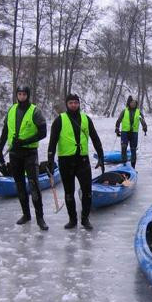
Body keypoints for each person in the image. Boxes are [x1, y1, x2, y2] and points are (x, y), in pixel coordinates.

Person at [47, 94, 104, 230]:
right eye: (71, 103)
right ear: (67, 104)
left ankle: (85, 219)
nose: (73, 105)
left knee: (87, 191)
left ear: (79, 104)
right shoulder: (59, 120)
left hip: (82, 161)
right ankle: (72, 219)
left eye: (76, 103)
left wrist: (101, 156)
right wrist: (50, 159)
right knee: (69, 192)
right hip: (65, 161)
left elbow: (95, 138)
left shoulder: (86, 119)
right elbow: (52, 142)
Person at [0, 85, 48, 230]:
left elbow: (43, 133)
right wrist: (0, 149)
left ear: (28, 95)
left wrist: (25, 141)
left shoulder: (35, 111)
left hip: (30, 153)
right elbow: (5, 131)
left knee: (34, 185)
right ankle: (26, 215)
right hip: (14, 154)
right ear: (17, 95)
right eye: (19, 94)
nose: (22, 97)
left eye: (24, 94)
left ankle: (40, 218)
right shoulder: (11, 110)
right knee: (19, 185)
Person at [115, 95, 147, 168]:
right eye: (132, 102)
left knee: (133, 150)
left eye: (135, 103)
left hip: (134, 133)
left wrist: (144, 127)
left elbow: (142, 121)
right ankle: (124, 165)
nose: (133, 104)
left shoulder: (138, 112)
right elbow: (118, 120)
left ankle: (133, 167)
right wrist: (117, 128)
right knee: (123, 148)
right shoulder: (124, 111)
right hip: (125, 133)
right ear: (129, 103)